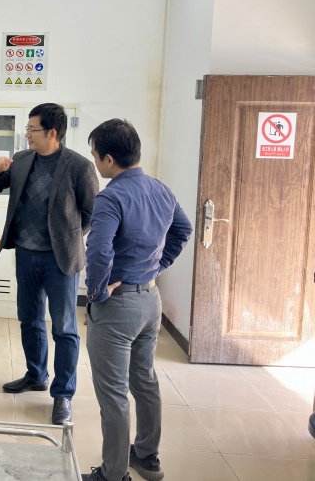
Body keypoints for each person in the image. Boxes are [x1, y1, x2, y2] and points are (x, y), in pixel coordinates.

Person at [82, 119, 192, 481]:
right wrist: (157, 266)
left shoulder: (111, 197)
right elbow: (184, 229)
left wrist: (97, 293)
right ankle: (146, 456)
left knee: (113, 394)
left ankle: (113, 474)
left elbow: (98, 250)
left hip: (118, 306)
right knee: (144, 381)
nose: (95, 161)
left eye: (95, 155)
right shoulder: (161, 189)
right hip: (150, 301)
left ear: (109, 159)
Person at [0, 103, 98, 425]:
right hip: (25, 254)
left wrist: (67, 237)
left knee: (64, 328)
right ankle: (36, 375)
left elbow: (91, 214)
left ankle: (63, 395)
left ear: (52, 133)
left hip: (60, 259)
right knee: (29, 320)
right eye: (27, 129)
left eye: (32, 129)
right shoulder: (21, 160)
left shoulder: (79, 166)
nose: (27, 134)